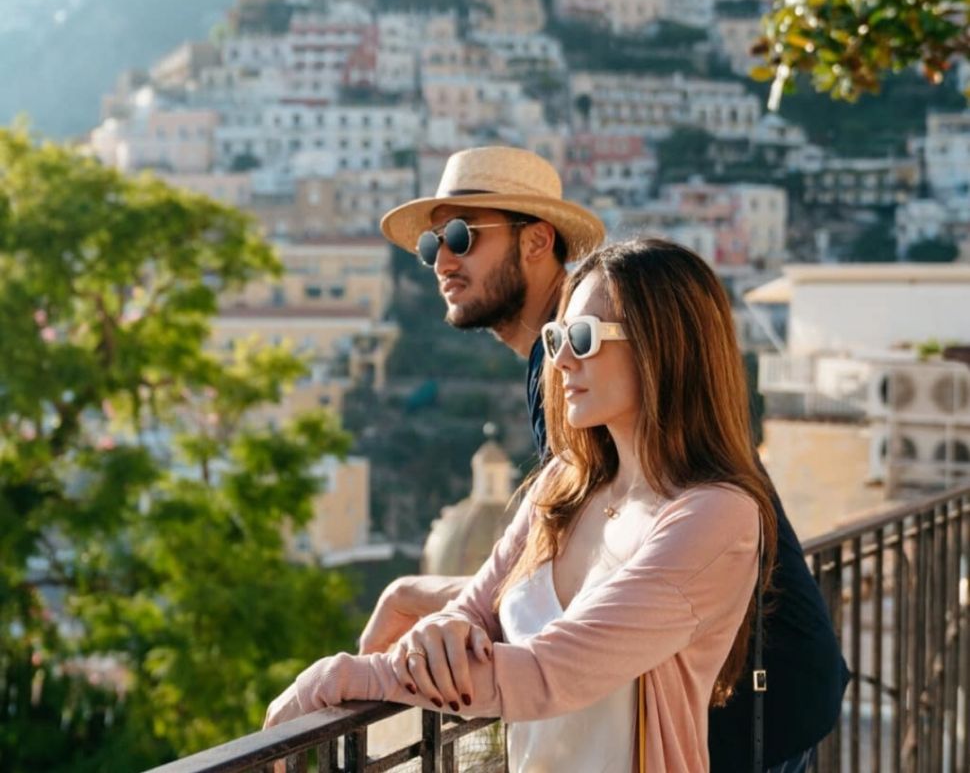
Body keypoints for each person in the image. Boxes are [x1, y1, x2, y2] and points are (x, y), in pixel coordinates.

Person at [270, 147, 848, 770]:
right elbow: (554, 582)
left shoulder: (697, 496)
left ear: (536, 240)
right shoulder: (575, 464)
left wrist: (358, 665)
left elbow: (566, 646)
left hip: (752, 708)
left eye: (462, 236)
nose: (442, 259)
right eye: (433, 244)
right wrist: (448, 619)